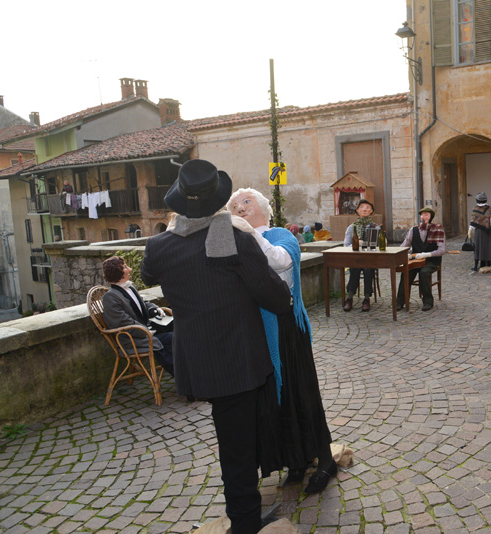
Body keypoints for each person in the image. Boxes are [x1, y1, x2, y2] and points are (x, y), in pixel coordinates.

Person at [141, 159, 291, 534]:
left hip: (198, 359)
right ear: (218, 203)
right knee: (237, 445)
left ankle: (246, 509)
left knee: (235, 437)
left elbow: (148, 273)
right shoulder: (231, 238)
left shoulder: (159, 246)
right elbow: (273, 297)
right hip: (238, 358)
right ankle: (244, 521)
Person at [228, 187, 336, 494]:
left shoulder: (279, 235)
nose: (240, 207)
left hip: (288, 327)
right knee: (278, 399)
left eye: (246, 202)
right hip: (259, 330)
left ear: (263, 206)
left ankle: (325, 459)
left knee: (302, 393)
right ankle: (297, 460)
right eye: (235, 206)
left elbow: (279, 262)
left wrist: (249, 234)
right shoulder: (240, 243)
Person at [101, 256, 174, 377]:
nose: (129, 270)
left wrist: (154, 308)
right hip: (133, 340)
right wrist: (147, 331)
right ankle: (183, 376)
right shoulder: (110, 297)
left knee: (177, 333)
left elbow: (142, 303)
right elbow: (122, 322)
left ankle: (186, 372)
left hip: (146, 332)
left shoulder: (130, 287)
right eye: (125, 267)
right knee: (173, 339)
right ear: (117, 271)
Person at [395, 207, 445, 312]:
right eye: (422, 215)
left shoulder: (438, 229)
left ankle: (428, 301)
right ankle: (400, 301)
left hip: (431, 260)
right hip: (415, 260)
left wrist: (427, 254)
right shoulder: (413, 230)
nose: (423, 217)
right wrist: (401, 254)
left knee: (424, 273)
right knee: (406, 272)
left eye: (426, 215)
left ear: (431, 217)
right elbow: (405, 245)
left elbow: (442, 250)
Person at [342, 200, 379, 312]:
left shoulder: (375, 227)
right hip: (355, 258)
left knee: (368, 269)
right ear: (357, 211)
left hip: (370, 258)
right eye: (362, 207)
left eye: (368, 207)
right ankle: (349, 298)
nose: (364, 209)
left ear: (371, 211)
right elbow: (346, 245)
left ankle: (367, 298)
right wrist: (356, 245)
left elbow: (378, 245)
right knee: (354, 269)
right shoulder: (351, 227)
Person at [470, 192, 491, 271]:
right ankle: (490, 263)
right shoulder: (490, 209)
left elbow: (473, 221)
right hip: (488, 231)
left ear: (477, 200)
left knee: (477, 247)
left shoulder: (475, 209)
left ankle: (475, 266)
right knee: (488, 247)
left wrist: (470, 230)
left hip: (478, 231)